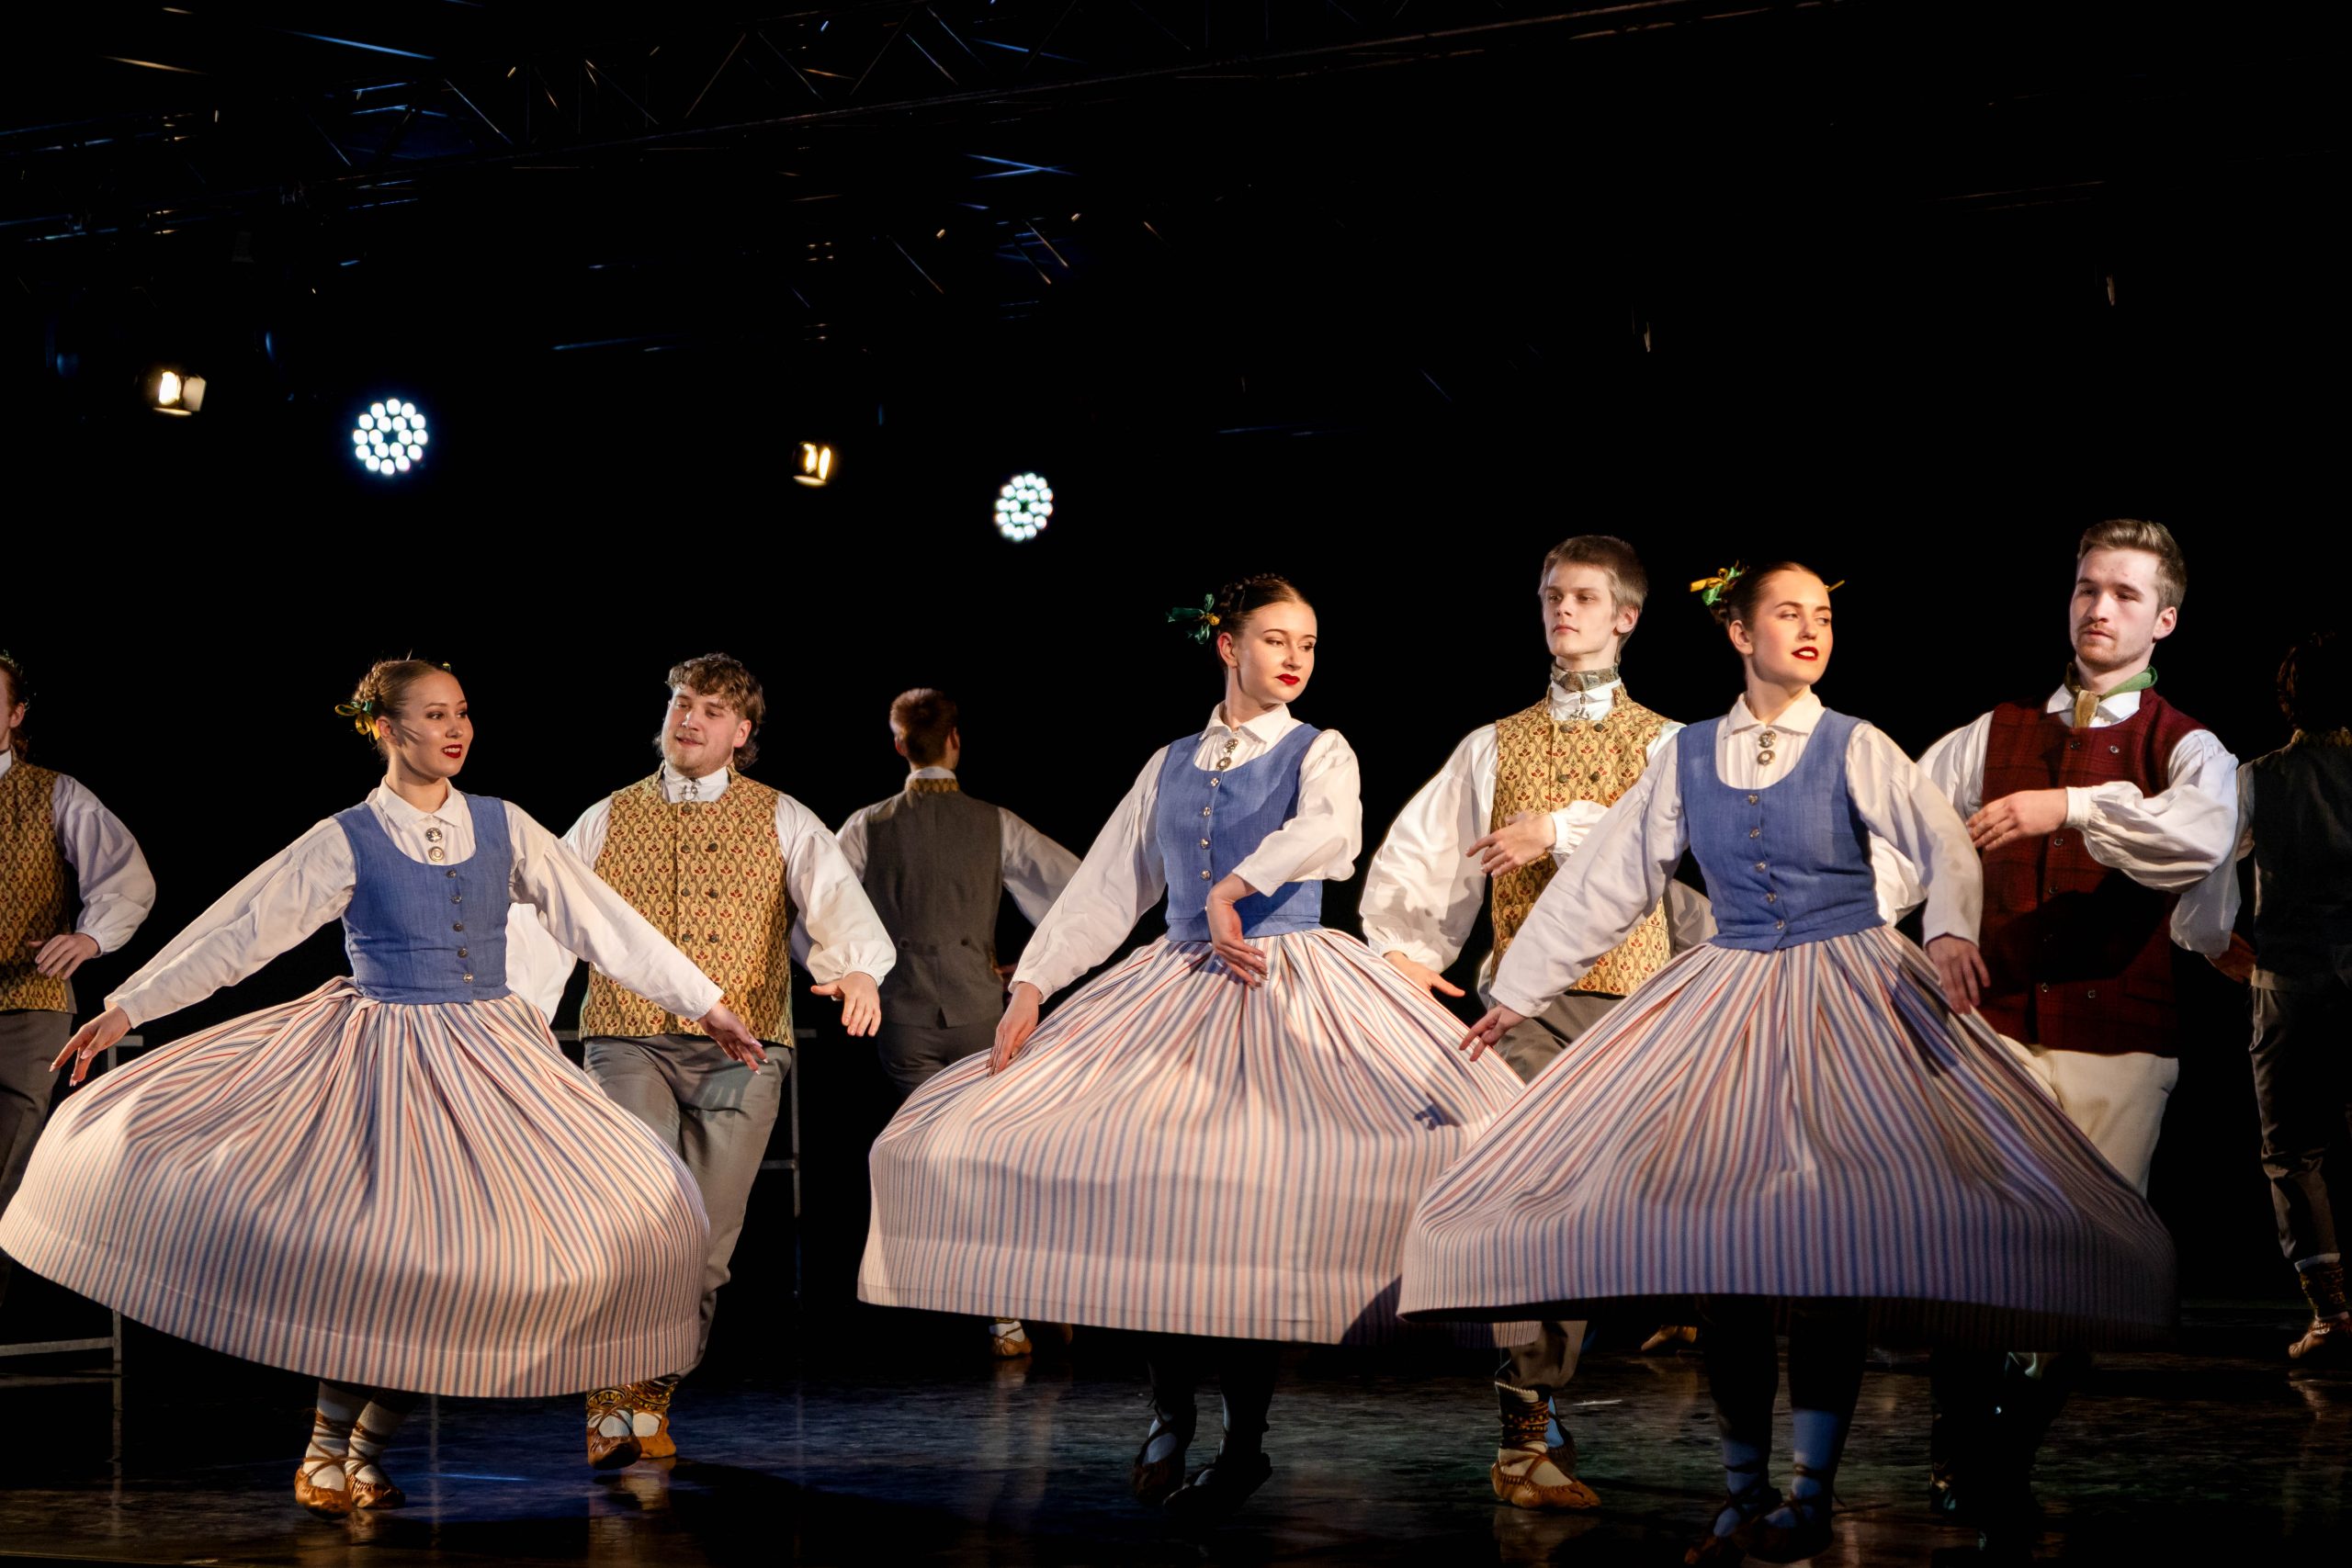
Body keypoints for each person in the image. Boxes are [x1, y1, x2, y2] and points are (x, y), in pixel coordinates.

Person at [1406, 563, 2176, 1564]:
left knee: (1825, 1249)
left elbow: (1942, 842)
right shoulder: (1688, 753)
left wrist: (1949, 929)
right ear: (1739, 632)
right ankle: (1742, 1489)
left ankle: (1810, 1491)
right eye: (1788, 613)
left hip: (1843, 994)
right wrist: (1518, 988)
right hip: (1730, 998)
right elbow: (1608, 878)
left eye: (1823, 615)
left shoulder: (1854, 743)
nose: (1812, 629)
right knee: (1729, 1257)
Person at [0, 659, 759, 1518]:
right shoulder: (348, 837)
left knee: (486, 1262)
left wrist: (706, 1003)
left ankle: (354, 1451)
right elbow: (241, 931)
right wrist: (128, 1005)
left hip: (493, 1062)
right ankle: (329, 1450)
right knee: (396, 1262)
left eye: (461, 712)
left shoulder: (504, 824)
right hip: (387, 1062)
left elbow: (603, 921)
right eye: (434, 715)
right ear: (387, 729)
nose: (455, 729)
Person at [858, 575, 1531, 1526]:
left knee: (1240, 1210)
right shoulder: (1171, 761)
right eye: (1275, 639)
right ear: (1227, 645)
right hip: (1173, 984)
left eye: (1307, 643)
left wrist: (1234, 887)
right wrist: (1034, 985)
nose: (1294, 658)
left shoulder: (1319, 748)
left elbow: (1331, 833)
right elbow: (1107, 883)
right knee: (1151, 1198)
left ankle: (1243, 1439)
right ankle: (1169, 1411)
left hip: (1276, 981)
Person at [1907, 519, 2235, 1525]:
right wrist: (1941, 926)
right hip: (1994, 1021)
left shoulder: (2187, 745)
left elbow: (2199, 843)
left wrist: (2074, 807)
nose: (2100, 608)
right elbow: (1913, 835)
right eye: (2089, 587)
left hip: (2117, 1037)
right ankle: (1961, 1446)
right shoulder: (1993, 732)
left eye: (2126, 594)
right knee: (1970, 1243)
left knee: (2089, 1263)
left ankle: (2006, 1445)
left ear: (2164, 619)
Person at [1359, 536, 1686, 1512]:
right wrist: (1404, 948)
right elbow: (1426, 854)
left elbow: (1662, 842)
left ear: (1625, 617)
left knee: (1626, 1213)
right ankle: (1525, 1423)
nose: (1563, 610)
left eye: (1582, 596)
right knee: (1541, 1202)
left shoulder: (1669, 743)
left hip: (1635, 1009)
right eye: (1551, 595)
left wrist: (1557, 828)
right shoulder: (1494, 743)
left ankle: (1740, 1450)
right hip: (1525, 1010)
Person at [513, 652, 895, 1464]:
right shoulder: (607, 816)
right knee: (634, 1217)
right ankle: (608, 1398)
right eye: (682, 702)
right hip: (628, 1040)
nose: (690, 718)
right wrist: (523, 1014)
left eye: (713, 709)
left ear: (742, 732)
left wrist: (857, 967)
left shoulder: (783, 816)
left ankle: (650, 1391)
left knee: (705, 1243)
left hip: (743, 1054)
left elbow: (836, 904)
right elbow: (551, 918)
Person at [835, 686, 1079, 1359]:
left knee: (946, 1160)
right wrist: (1029, 968)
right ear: (955, 740)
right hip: (980, 1013)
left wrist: (855, 971)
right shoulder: (995, 822)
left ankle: (996, 1307)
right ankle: (1019, 1298)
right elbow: (1076, 891)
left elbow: (819, 907)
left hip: (902, 1015)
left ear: (899, 745)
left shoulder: (866, 825)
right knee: (994, 1156)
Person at [2204, 630, 2352, 1363]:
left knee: (2292, 1153)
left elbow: (2204, 867)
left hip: (2289, 988)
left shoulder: (2258, 778)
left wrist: (2213, 940)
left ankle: (2332, 1315)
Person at [0, 649, 155, 1309]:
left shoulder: (53, 792)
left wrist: (90, 937)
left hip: (24, 1005)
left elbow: (126, 878)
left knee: (3, 1163)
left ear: (15, 715)